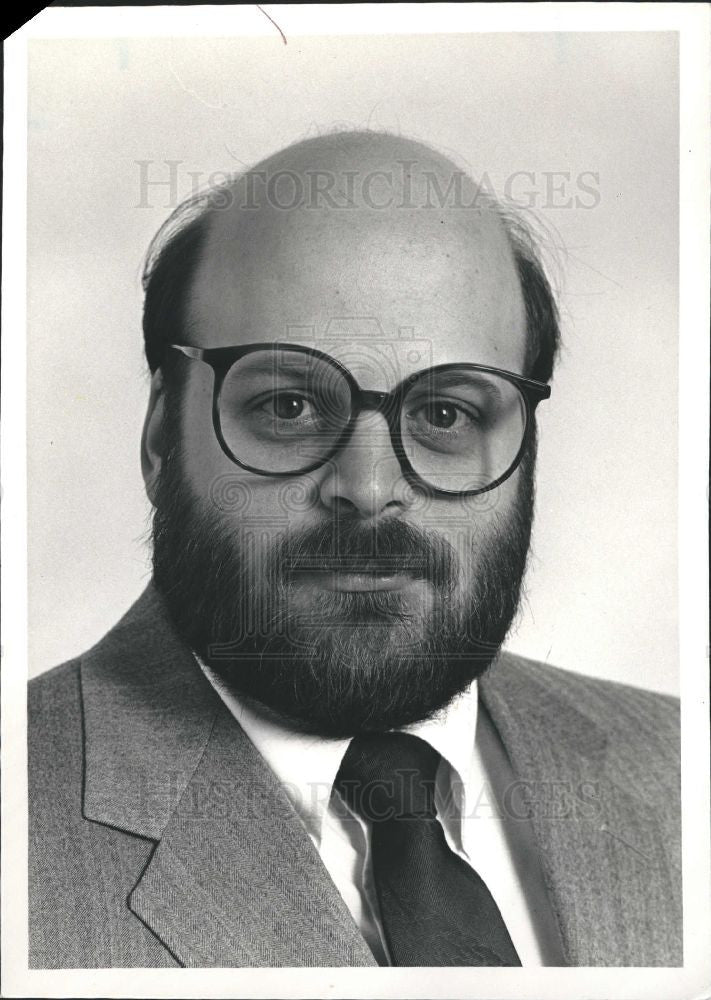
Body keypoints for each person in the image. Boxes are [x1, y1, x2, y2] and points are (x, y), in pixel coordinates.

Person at [28, 130, 681, 969]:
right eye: (290, 406)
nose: (368, 490)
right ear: (161, 435)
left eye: (445, 414)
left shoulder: (677, 767)